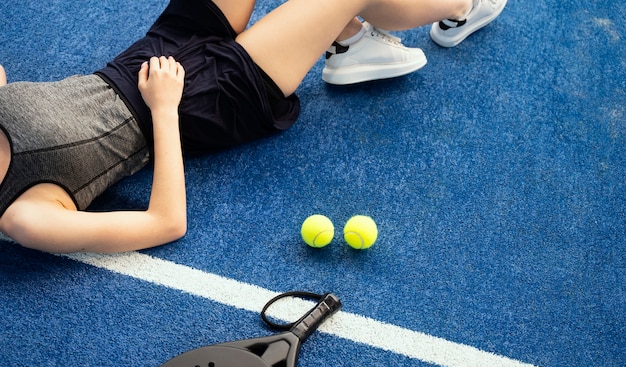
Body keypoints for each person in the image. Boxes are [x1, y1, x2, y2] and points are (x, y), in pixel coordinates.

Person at [0, 0, 506, 254]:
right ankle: (462, 6)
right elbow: (165, 223)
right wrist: (163, 108)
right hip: (201, 101)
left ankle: (347, 39)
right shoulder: (24, 217)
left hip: (150, 53)